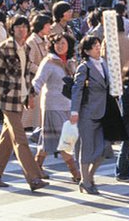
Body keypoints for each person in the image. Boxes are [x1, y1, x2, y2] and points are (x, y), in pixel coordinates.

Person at [0, 15, 48, 191]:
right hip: (7, 99)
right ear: (12, 28)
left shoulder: (25, 48)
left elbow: (26, 75)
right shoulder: (4, 48)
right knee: (20, 139)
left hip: (20, 97)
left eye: (25, 26)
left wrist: (30, 94)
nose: (22, 29)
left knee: (7, 139)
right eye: (18, 26)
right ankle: (33, 177)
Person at [32, 33, 80, 181]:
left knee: (47, 140)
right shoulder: (49, 62)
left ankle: (36, 168)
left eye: (63, 43)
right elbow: (38, 81)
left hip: (67, 105)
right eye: (57, 43)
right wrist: (30, 95)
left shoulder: (70, 63)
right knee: (63, 140)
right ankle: (76, 173)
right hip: (52, 105)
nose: (60, 46)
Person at [70, 34, 111, 195]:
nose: (98, 48)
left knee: (105, 148)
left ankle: (88, 177)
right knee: (87, 148)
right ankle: (86, 181)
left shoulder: (104, 63)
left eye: (98, 45)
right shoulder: (84, 67)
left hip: (104, 110)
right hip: (87, 111)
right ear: (87, 50)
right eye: (94, 46)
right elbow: (77, 90)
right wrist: (74, 110)